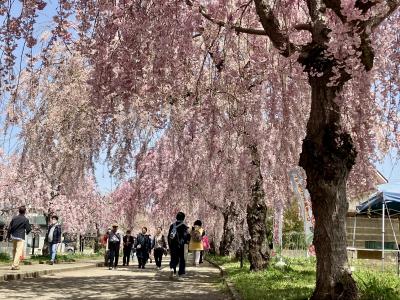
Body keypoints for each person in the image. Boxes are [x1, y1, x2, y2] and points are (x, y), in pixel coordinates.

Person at [7, 206, 31, 270]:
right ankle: (14, 265)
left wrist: (8, 235)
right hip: (20, 237)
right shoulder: (25, 219)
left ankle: (16, 264)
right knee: (18, 251)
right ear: (25, 211)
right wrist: (27, 232)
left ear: (19, 211)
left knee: (14, 250)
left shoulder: (14, 218)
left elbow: (9, 227)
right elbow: (28, 229)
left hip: (14, 236)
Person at [168, 212, 188, 279]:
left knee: (174, 258)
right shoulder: (184, 227)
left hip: (173, 246)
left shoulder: (172, 226)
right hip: (181, 246)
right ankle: (181, 274)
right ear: (183, 218)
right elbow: (186, 237)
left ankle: (172, 269)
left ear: (176, 217)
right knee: (182, 259)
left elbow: (169, 237)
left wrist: (170, 246)